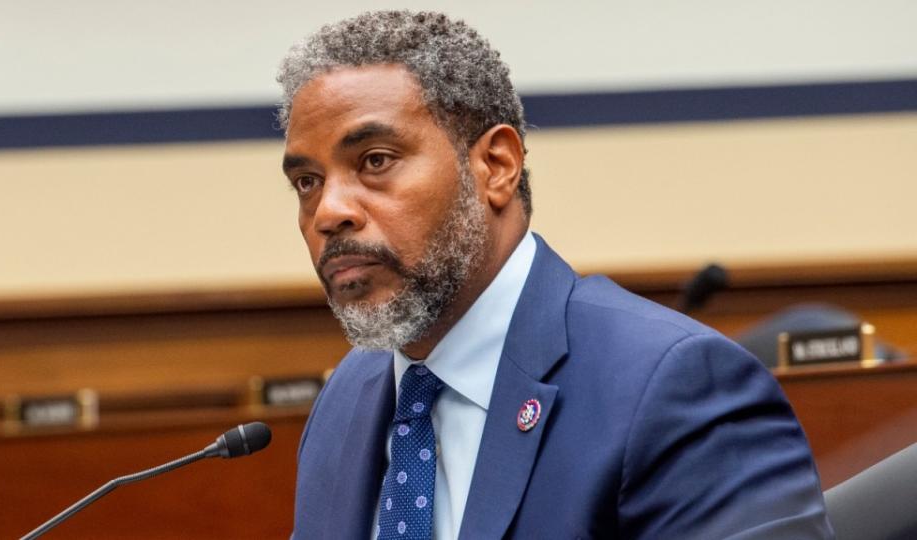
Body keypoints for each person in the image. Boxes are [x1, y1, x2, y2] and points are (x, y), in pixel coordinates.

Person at [278, 10, 833, 539]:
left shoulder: (672, 386)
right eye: (307, 182)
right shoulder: (349, 396)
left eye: (375, 160)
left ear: (496, 166)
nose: (329, 212)